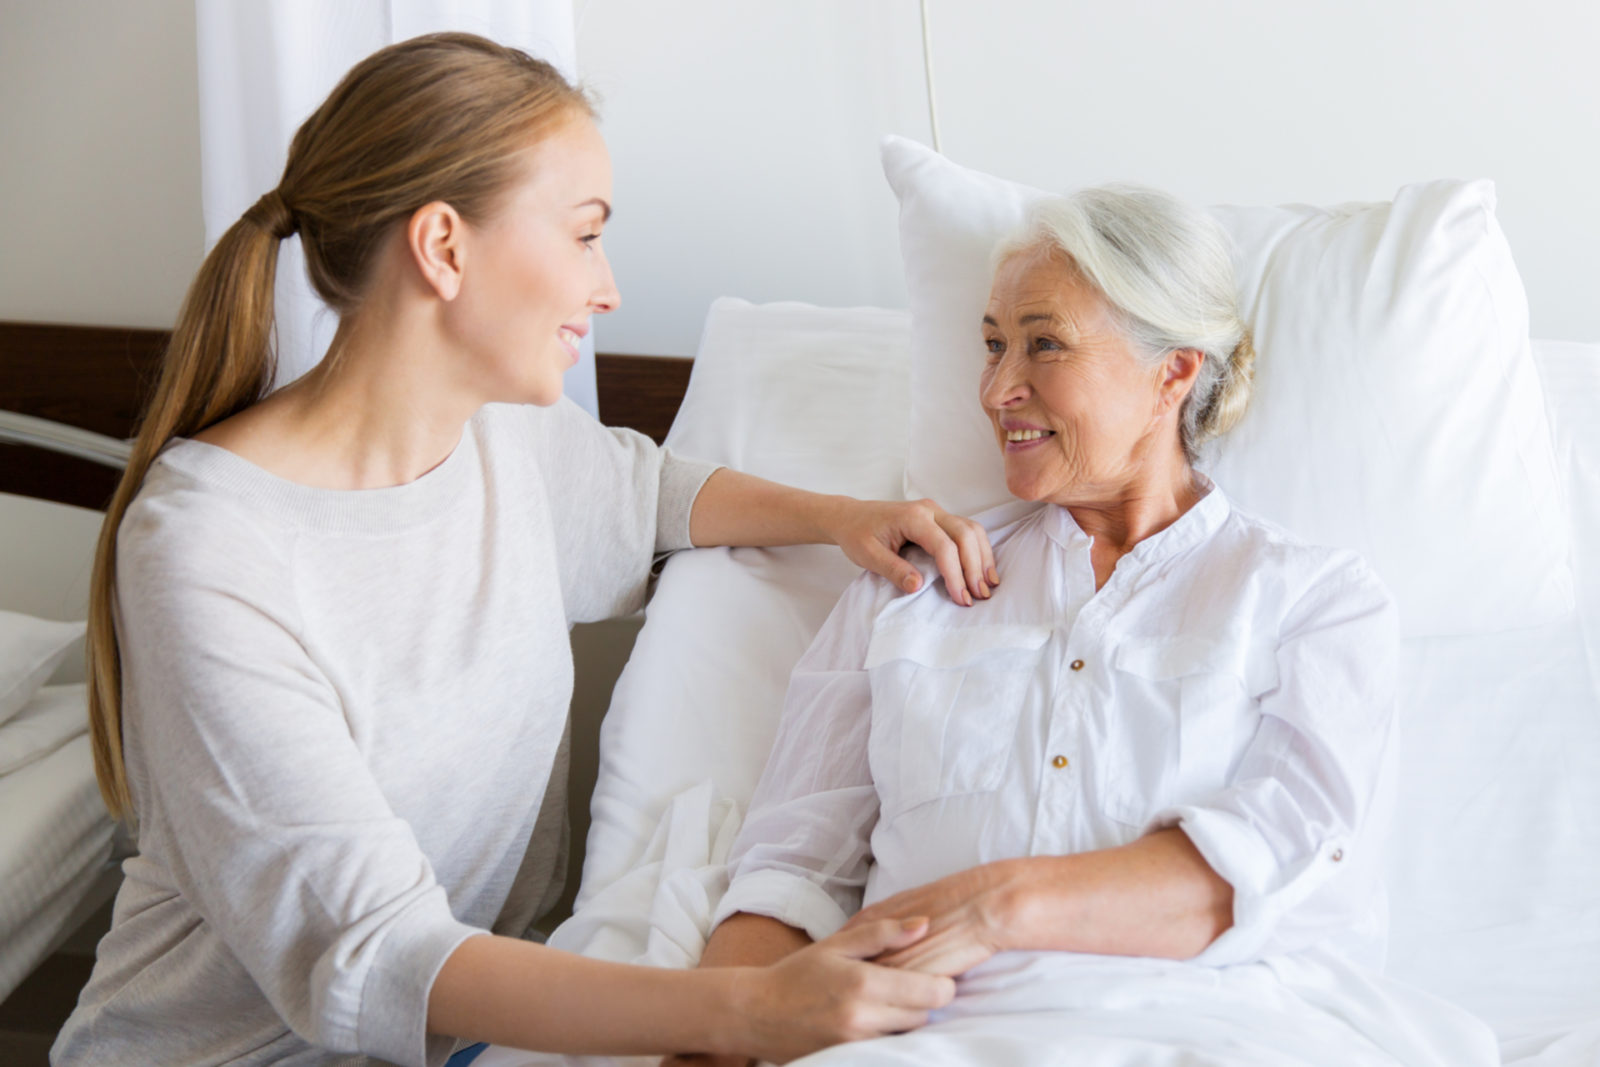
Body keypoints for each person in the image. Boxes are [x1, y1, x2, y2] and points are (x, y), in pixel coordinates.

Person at [53, 32, 992, 1067]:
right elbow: (377, 949)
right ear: (444, 247)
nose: (608, 288)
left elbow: (651, 498)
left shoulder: (502, 432)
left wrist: (842, 515)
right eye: (585, 234)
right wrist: (747, 1006)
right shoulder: (209, 550)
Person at [679, 186, 1500, 1064]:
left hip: (1217, 1027)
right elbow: (787, 871)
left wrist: (1000, 905)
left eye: (1044, 344)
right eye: (992, 345)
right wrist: (707, 1041)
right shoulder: (906, 582)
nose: (998, 389)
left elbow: (1278, 859)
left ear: (1173, 373)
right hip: (924, 1036)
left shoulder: (1314, 602)